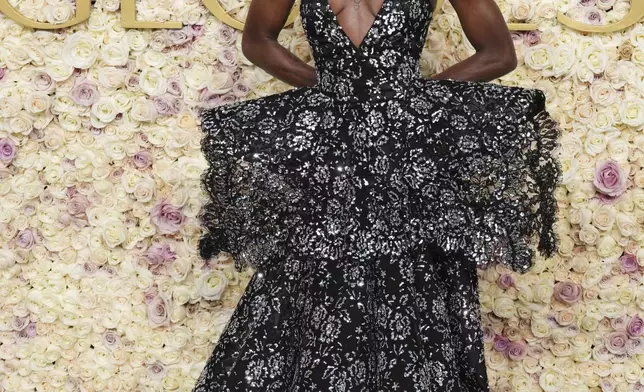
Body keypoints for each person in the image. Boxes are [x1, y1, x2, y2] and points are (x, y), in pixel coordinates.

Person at [194, 0, 562, 390]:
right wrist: (330, 88)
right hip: (330, 143)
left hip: (405, 145)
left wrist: (410, 98)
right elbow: (256, 40)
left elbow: (499, 54)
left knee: (415, 274)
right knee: (312, 271)